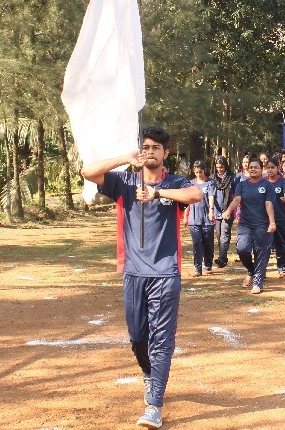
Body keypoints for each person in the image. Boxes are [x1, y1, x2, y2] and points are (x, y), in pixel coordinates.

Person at [81, 125, 202, 429]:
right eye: (145, 147)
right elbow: (87, 172)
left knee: (161, 340)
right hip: (133, 273)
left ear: (166, 153)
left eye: (155, 148)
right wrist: (125, 157)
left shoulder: (174, 183)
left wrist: (158, 192)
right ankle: (151, 375)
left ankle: (154, 405)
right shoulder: (124, 181)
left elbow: (196, 195)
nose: (150, 152)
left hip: (165, 274)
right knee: (137, 338)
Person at [222, 155, 277, 294]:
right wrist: (228, 210)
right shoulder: (242, 184)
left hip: (261, 224)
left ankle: (258, 282)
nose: (253, 169)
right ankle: (251, 270)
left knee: (260, 252)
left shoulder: (267, 185)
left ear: (261, 169)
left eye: (256, 167)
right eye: (251, 167)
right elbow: (237, 199)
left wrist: (272, 222)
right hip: (245, 223)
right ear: (247, 168)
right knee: (242, 249)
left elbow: (269, 204)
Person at [184, 160, 216, 276]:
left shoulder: (210, 183)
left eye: (201, 172)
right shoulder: (190, 184)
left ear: (204, 170)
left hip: (207, 218)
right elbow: (187, 200)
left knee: (208, 243)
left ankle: (208, 265)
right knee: (197, 243)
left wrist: (211, 211)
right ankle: (197, 268)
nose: (198, 175)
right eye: (196, 172)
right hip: (194, 218)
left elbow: (211, 196)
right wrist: (185, 216)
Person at [265, 155, 285, 277]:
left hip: (280, 218)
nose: (270, 170)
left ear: (278, 168)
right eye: (268, 168)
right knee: (264, 245)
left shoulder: (283, 181)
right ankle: (262, 269)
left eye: (272, 167)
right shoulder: (263, 182)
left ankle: (282, 267)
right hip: (264, 219)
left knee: (281, 244)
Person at [211, 156, 236, 268]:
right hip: (216, 210)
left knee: (224, 234)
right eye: (217, 167)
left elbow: (236, 195)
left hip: (227, 209)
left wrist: (230, 209)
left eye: (221, 167)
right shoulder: (212, 179)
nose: (219, 170)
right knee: (219, 234)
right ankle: (223, 257)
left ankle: (221, 258)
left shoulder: (232, 178)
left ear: (225, 166)